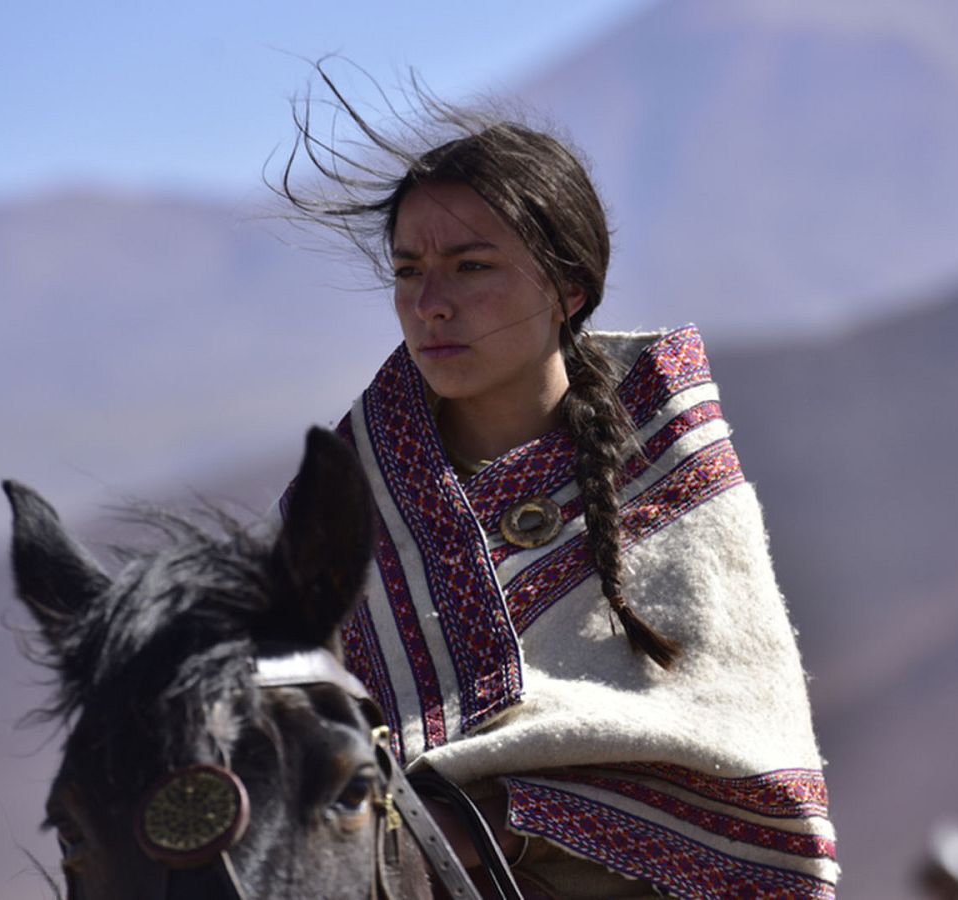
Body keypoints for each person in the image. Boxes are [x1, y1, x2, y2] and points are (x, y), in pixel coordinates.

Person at [278, 74, 839, 899]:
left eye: (471, 266)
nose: (430, 304)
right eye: (407, 271)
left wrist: (504, 812)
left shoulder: (667, 461)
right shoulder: (341, 503)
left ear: (568, 287)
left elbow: (744, 761)